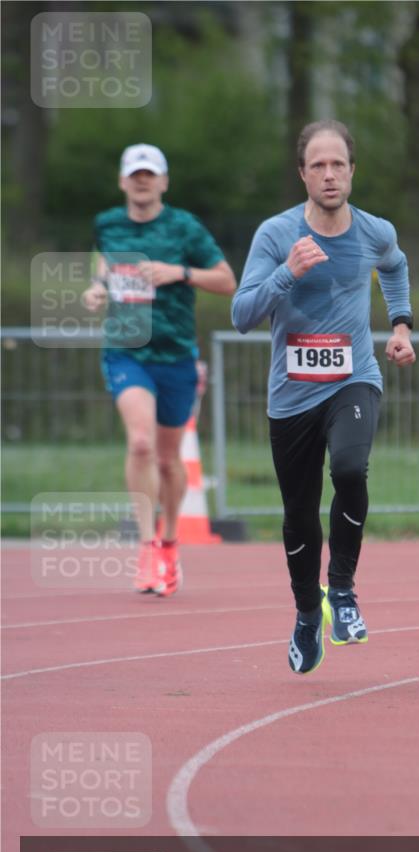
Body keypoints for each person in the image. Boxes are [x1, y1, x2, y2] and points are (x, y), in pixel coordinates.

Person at [232, 120, 415, 675]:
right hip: (292, 397)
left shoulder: (374, 231)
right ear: (303, 174)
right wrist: (287, 272)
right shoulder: (275, 235)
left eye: (338, 164)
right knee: (298, 517)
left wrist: (402, 325)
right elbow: (241, 316)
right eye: (318, 165)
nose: (329, 174)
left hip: (353, 379)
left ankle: (342, 591)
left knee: (353, 469)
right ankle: (308, 613)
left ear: (352, 171)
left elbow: (396, 265)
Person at [82, 143, 236, 596]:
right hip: (126, 350)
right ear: (122, 180)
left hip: (175, 354)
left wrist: (179, 273)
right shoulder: (107, 223)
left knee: (169, 461)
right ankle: (147, 545)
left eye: (151, 173)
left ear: (164, 181)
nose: (142, 180)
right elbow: (104, 261)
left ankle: (170, 541)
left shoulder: (184, 227)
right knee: (141, 441)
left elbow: (228, 280)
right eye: (135, 173)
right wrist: (96, 287)